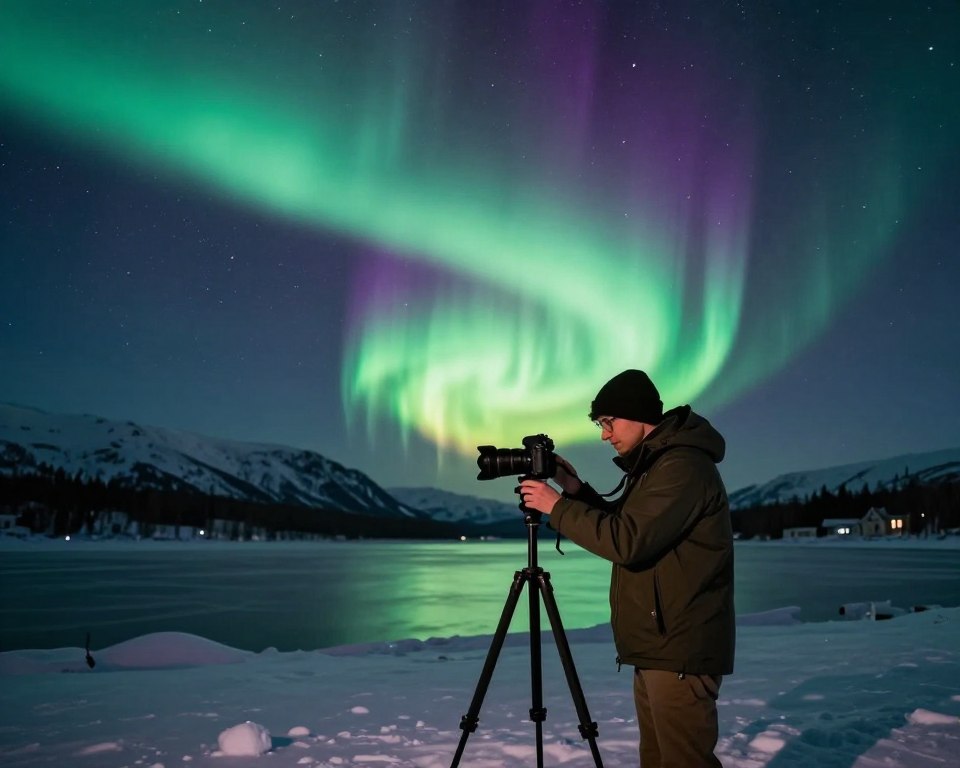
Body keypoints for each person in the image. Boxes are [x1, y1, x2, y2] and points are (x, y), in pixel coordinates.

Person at [519, 369, 735, 768]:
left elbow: (627, 541)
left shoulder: (682, 466)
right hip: (660, 646)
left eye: (607, 422)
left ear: (636, 415)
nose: (604, 435)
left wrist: (556, 507)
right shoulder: (658, 464)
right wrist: (574, 490)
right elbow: (631, 525)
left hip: (680, 649)